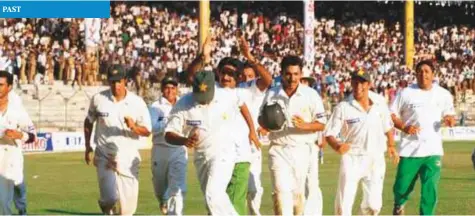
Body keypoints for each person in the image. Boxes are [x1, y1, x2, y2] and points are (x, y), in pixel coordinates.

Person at [185, 35, 264, 215]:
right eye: (224, 72)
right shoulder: (212, 89)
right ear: (218, 72)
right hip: (213, 153)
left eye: (231, 73)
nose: (227, 77)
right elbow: (191, 76)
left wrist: (252, 131)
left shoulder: (241, 91)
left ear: (239, 76)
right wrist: (202, 57)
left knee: (226, 199)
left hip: (239, 154)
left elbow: (247, 104)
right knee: (214, 202)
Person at [165, 71, 258, 215]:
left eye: (207, 97)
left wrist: (252, 130)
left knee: (213, 195)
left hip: (224, 151)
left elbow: (242, 105)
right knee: (212, 203)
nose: (204, 101)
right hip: (201, 156)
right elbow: (168, 134)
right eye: (200, 97)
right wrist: (184, 140)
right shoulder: (183, 103)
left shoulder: (226, 95)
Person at [324, 69, 398, 215]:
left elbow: (388, 127)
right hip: (352, 157)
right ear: (351, 83)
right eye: (355, 82)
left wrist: (391, 145)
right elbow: (329, 134)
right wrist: (337, 145)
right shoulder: (343, 107)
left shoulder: (379, 103)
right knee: (344, 204)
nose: (358, 86)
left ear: (368, 84)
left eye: (362, 83)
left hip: (375, 158)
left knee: (373, 205)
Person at [259, 56, 326, 215]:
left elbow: (322, 123)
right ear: (282, 74)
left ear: (301, 74)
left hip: (302, 149)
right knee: (281, 194)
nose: (292, 78)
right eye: (288, 74)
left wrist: (306, 126)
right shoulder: (272, 93)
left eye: (296, 74)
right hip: (279, 149)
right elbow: (260, 118)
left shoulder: (310, 95)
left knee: (298, 198)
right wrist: (267, 124)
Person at [83, 64, 152, 215]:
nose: (116, 85)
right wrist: (88, 146)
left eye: (119, 81)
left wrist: (133, 127)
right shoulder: (98, 99)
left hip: (128, 157)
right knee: (109, 199)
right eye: (112, 81)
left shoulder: (137, 102)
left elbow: (147, 131)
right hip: (104, 155)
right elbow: (88, 121)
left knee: (127, 211)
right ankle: (107, 206)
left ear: (125, 81)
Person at [390, 60, 456, 215]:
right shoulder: (405, 93)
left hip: (433, 150)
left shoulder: (443, 94)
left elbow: (450, 114)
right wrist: (404, 127)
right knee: (402, 186)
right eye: (420, 71)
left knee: (430, 189)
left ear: (433, 74)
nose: (423, 74)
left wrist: (449, 120)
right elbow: (391, 115)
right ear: (415, 74)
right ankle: (399, 204)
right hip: (410, 149)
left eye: (427, 71)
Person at [0, 71, 36, 215]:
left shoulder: (16, 110)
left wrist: (20, 135)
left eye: (1, 85)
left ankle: (22, 208)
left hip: (12, 158)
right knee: (3, 202)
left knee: (17, 185)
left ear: (9, 87)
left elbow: (33, 135)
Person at [149, 76, 186, 215]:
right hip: (160, 149)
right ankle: (162, 200)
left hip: (178, 149)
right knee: (160, 186)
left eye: (173, 88)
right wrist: (169, 123)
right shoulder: (155, 106)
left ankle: (175, 213)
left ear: (177, 89)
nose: (170, 91)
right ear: (162, 89)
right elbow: (152, 126)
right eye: (167, 88)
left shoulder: (183, 104)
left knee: (177, 187)